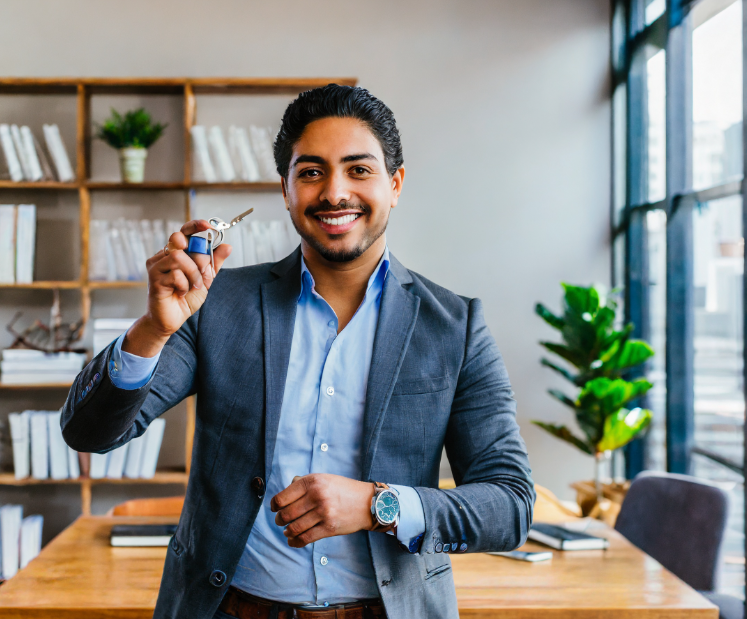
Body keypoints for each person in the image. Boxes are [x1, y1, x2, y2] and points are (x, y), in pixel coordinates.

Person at [61, 84, 534, 619]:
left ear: (395, 184)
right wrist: (153, 328)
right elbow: (88, 432)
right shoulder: (217, 305)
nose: (334, 192)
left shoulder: (455, 325)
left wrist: (380, 504)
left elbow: (510, 505)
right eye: (310, 172)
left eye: (358, 170)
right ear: (285, 190)